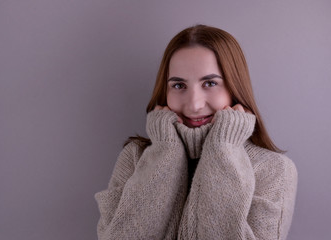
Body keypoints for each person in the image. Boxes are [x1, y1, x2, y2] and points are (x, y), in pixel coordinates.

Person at [95, 24, 298, 240]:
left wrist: (223, 150)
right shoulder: (135, 157)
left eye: (210, 83)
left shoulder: (272, 169)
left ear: (234, 88)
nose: (194, 105)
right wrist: (165, 152)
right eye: (179, 86)